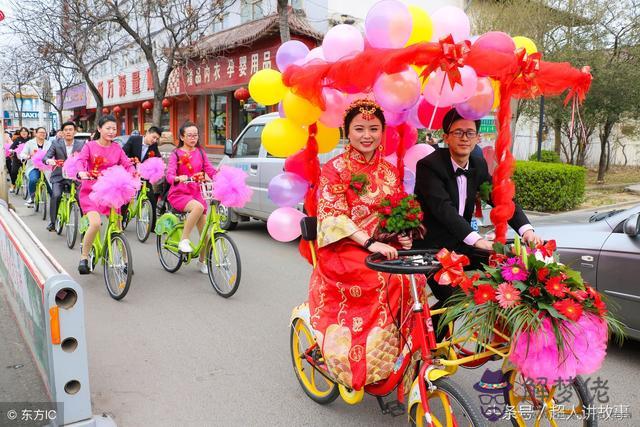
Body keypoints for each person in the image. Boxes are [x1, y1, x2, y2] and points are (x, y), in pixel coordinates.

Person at [308, 99, 421, 391]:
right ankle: (363, 357)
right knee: (383, 278)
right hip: (344, 249)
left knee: (416, 277)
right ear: (347, 131)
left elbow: (394, 211)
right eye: (359, 128)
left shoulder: (388, 171)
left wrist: (402, 234)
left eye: (373, 128)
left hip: (382, 246)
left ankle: (402, 350)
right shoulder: (334, 168)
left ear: (383, 131)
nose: (367, 135)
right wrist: (369, 242)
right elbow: (332, 216)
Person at [413, 109, 542, 309]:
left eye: (470, 133)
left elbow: (501, 198)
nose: (464, 138)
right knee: (453, 299)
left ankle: (494, 336)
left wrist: (527, 230)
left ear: (477, 138)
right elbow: (443, 210)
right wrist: (478, 240)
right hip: (433, 249)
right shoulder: (429, 166)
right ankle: (430, 339)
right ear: (446, 137)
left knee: (508, 273)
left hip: (462, 245)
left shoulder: (478, 164)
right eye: (458, 132)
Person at [75, 115, 135, 274]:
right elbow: (81, 161)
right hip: (91, 191)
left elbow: (127, 164)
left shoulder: (117, 148)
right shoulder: (89, 146)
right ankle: (84, 257)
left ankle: (125, 262)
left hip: (111, 192)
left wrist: (133, 174)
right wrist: (82, 172)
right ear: (99, 129)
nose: (111, 131)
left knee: (118, 227)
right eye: (108, 128)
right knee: (95, 224)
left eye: (114, 129)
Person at [165, 122, 216, 274]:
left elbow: (210, 170)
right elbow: (169, 175)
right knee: (198, 207)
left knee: (205, 233)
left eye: (195, 135)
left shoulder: (200, 152)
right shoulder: (176, 154)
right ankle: (184, 240)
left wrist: (223, 177)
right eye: (190, 135)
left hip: (197, 193)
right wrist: (177, 178)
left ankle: (202, 262)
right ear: (182, 137)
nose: (193, 138)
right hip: (180, 193)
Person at [43, 121, 85, 231]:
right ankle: (52, 222)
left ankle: (86, 223)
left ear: (75, 131)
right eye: (66, 130)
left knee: (82, 198)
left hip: (76, 176)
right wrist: (49, 161)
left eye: (70, 130)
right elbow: (46, 157)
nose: (68, 132)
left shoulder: (82, 144)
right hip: (59, 176)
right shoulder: (56, 143)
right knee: (56, 195)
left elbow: (87, 158)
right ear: (62, 132)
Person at [19, 127, 52, 207]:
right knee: (33, 179)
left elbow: (54, 153)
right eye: (40, 132)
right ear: (36, 133)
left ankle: (55, 201)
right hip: (33, 167)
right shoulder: (29, 143)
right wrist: (29, 156)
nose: (42, 134)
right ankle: (32, 197)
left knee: (50, 184)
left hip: (46, 167)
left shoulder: (49, 143)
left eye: (44, 133)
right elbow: (22, 154)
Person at [8, 127, 30, 193]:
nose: (24, 132)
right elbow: (11, 147)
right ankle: (13, 184)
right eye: (22, 131)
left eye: (25, 131)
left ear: (28, 133)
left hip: (27, 159)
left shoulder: (30, 140)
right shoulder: (17, 140)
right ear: (20, 133)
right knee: (13, 171)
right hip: (17, 158)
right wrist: (11, 150)